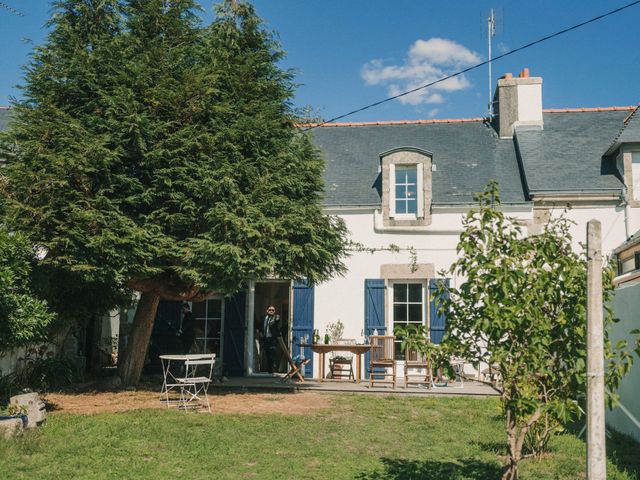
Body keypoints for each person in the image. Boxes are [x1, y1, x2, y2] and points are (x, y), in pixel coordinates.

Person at [260, 305, 280, 373]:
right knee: (267, 354)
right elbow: (261, 327)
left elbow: (277, 321)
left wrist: (276, 318)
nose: (271, 311)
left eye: (273, 310)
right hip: (265, 338)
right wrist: (260, 333)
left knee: (273, 354)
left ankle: (273, 369)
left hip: (272, 339)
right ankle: (269, 370)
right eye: (270, 310)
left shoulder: (276, 317)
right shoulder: (263, 318)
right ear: (267, 310)